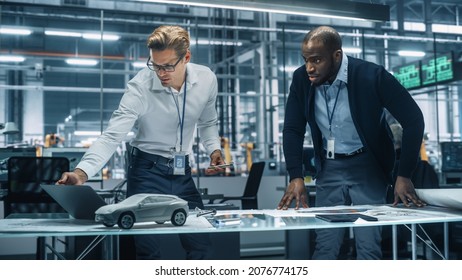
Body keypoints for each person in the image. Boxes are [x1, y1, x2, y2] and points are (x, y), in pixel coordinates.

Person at [57, 25, 225, 259]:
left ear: (186, 57)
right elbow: (112, 135)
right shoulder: (140, 86)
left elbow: (208, 122)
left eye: (167, 66)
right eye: (155, 65)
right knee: (148, 251)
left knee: (201, 245)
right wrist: (82, 173)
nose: (161, 73)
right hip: (146, 173)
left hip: (182, 172)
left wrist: (214, 149)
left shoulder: (206, 79)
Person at [278, 26, 426, 260]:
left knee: (368, 246)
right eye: (305, 60)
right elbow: (293, 129)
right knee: (325, 245)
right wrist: (295, 175)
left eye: (316, 60)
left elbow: (414, 120)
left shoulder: (372, 76)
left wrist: (404, 174)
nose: (309, 68)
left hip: (367, 166)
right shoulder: (301, 79)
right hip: (329, 167)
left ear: (336, 56)